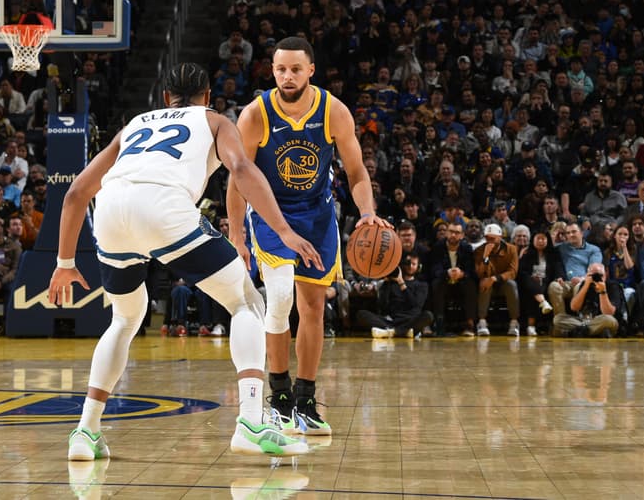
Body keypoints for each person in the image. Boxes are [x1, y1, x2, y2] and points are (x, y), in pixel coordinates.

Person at [48, 63, 319, 461]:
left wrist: (65, 261)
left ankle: (85, 432)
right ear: (208, 96)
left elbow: (75, 193)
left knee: (124, 319)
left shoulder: (134, 125)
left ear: (165, 98)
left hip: (110, 209)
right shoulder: (215, 121)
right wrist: (283, 229)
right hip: (162, 206)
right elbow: (241, 168)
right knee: (247, 303)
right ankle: (250, 422)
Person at [226, 37, 387, 436]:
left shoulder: (334, 111)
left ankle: (305, 401)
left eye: (295, 69)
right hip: (271, 214)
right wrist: (238, 236)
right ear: (272, 71)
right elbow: (237, 181)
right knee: (280, 297)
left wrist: (368, 213)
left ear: (311, 70)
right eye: (281, 69)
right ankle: (280, 398)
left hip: (317, 215)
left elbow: (357, 172)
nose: (287, 76)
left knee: (313, 307)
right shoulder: (255, 115)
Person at [360, 254, 431, 339]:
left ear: (419, 267)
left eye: (413, 264)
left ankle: (390, 332)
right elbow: (382, 306)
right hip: (392, 321)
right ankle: (403, 332)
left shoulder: (422, 285)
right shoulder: (392, 283)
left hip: (411, 321)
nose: (410, 266)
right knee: (361, 314)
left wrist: (401, 283)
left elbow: (415, 305)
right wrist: (386, 283)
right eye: (407, 263)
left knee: (428, 315)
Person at [429, 222, 478, 336]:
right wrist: (447, 273)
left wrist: (462, 274)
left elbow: (471, 270)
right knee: (436, 283)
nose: (453, 235)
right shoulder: (438, 247)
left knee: (470, 284)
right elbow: (435, 270)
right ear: (446, 233)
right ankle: (439, 323)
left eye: (457, 233)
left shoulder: (467, 248)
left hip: (461, 281)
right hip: (444, 280)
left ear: (462, 235)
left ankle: (470, 324)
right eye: (451, 232)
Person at [554, 262, 621, 337]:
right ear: (587, 275)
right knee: (557, 319)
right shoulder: (585, 284)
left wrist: (602, 292)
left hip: (602, 320)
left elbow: (609, 313)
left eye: (600, 275)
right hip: (585, 321)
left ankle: (578, 332)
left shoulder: (613, 286)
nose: (597, 278)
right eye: (593, 275)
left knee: (609, 320)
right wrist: (586, 285)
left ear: (605, 275)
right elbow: (574, 307)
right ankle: (593, 331)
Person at [517, 230, 564, 337]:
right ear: (533, 240)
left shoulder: (553, 254)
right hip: (529, 282)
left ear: (548, 240)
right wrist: (532, 278)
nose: (540, 241)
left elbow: (558, 267)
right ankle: (541, 306)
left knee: (538, 289)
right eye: (538, 238)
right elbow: (522, 271)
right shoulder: (527, 253)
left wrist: (559, 277)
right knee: (530, 286)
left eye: (543, 238)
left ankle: (533, 325)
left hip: (546, 281)